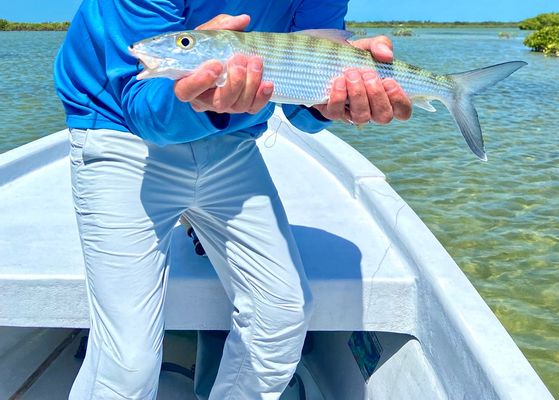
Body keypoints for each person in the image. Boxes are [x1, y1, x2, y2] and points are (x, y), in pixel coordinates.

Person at [54, 1, 412, 399]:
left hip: (232, 142)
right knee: (127, 363)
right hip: (118, 130)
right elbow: (139, 106)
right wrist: (200, 97)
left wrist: (336, 99)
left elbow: (302, 110)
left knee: (281, 316)